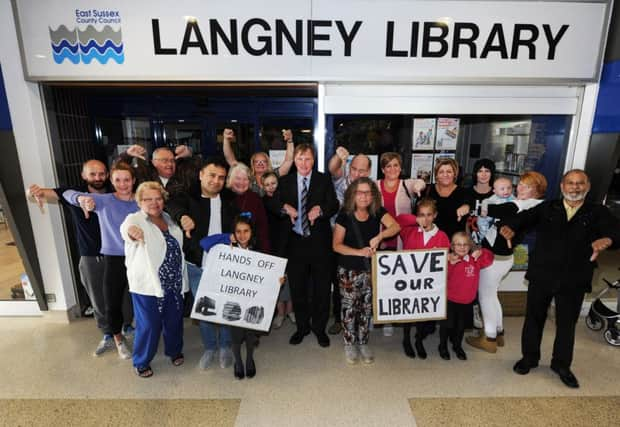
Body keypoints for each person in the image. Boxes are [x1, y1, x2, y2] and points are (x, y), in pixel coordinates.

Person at [501, 169, 620, 388]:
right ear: (562, 187)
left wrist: (608, 240)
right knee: (534, 318)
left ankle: (561, 365)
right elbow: (522, 219)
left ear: (588, 186)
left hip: (574, 278)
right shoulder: (548, 207)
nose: (575, 187)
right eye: (570, 183)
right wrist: (510, 227)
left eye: (580, 183)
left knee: (567, 324)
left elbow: (615, 231)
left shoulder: (597, 212)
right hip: (542, 274)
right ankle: (529, 358)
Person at [28, 160, 133, 356]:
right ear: (84, 175)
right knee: (99, 298)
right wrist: (32, 191)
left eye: (102, 174)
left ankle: (125, 326)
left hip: (121, 255)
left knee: (125, 296)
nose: (98, 178)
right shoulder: (76, 193)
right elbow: (50, 193)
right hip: (91, 255)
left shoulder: (116, 193)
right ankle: (108, 334)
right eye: (93, 174)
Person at [166, 157, 239, 370]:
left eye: (221, 178)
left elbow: (241, 226)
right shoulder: (187, 198)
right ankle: (210, 347)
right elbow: (171, 204)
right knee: (204, 309)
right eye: (212, 175)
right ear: (200, 175)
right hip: (197, 265)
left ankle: (225, 346)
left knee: (225, 306)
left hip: (226, 265)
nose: (216, 181)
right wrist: (182, 217)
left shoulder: (230, 200)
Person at [63, 162, 139, 359]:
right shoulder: (103, 200)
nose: (123, 184)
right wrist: (81, 198)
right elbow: (67, 194)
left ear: (134, 181)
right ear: (111, 181)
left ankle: (139, 332)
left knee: (141, 299)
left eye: (127, 180)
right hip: (113, 259)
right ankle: (118, 339)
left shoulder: (140, 201)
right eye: (118, 180)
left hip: (138, 258)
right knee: (111, 302)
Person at [467, 171, 547, 354]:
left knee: (485, 296)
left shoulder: (525, 204)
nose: (520, 188)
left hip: (495, 258)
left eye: (527, 186)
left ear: (537, 191)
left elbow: (501, 209)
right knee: (492, 294)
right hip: (503, 258)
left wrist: (476, 207)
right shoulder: (530, 204)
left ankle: (489, 338)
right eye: (520, 184)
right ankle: (498, 331)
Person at [200, 214, 283, 379]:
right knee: (236, 336)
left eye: (246, 231)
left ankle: (250, 359)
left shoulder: (258, 251)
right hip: (232, 300)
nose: (242, 235)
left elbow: (267, 274)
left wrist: (278, 280)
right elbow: (203, 243)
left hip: (252, 300)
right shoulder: (226, 249)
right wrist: (227, 237)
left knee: (250, 335)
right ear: (233, 233)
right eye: (238, 231)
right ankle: (238, 361)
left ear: (252, 232)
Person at [120, 181, 188, 378]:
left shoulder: (169, 218)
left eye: (158, 198)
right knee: (149, 324)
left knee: (174, 321)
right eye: (148, 199)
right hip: (148, 285)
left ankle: (174, 351)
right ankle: (141, 361)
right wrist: (131, 233)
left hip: (174, 282)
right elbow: (126, 230)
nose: (154, 202)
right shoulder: (135, 219)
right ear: (139, 201)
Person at [274, 143, 339, 347]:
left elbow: (334, 204)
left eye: (308, 158)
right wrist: (284, 208)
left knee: (321, 289)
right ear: (294, 160)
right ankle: (302, 328)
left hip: (319, 242)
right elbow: (271, 201)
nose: (304, 163)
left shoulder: (323, 179)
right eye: (300, 159)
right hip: (295, 243)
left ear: (313, 160)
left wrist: (321, 210)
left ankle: (319, 329)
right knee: (298, 289)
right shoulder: (284, 182)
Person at [333, 178, 400, 364]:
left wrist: (380, 236)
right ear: (353, 195)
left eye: (368, 192)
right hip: (348, 270)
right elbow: (336, 245)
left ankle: (363, 342)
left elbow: (396, 226)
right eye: (360, 192)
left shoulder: (377, 211)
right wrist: (358, 252)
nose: (364, 196)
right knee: (349, 309)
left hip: (370, 269)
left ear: (373, 195)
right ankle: (349, 344)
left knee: (366, 309)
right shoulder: (344, 215)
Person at [376, 152, 425, 337]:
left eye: (396, 165)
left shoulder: (406, 184)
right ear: (382, 169)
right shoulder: (375, 186)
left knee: (395, 281)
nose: (392, 169)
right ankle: (379, 317)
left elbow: (418, 183)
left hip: (401, 240)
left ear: (400, 167)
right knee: (379, 280)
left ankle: (390, 318)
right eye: (388, 166)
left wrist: (420, 186)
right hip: (380, 237)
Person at [396, 198, 450, 359]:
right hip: (409, 281)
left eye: (428, 215)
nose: (425, 219)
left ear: (435, 215)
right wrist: (416, 220)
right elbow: (399, 219)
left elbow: (444, 260)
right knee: (408, 312)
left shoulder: (441, 236)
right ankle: (406, 339)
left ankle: (418, 340)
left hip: (428, 285)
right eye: (421, 215)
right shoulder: (410, 231)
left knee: (422, 314)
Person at [327, 147, 374, 335]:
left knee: (363, 284)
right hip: (337, 240)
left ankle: (362, 319)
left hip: (361, 242)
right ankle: (340, 319)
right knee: (339, 280)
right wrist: (339, 157)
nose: (356, 173)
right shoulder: (342, 181)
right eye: (353, 168)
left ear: (368, 172)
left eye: (361, 170)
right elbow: (332, 168)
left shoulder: (371, 188)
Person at [440, 232, 493, 361]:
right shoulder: (448, 261)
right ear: (452, 246)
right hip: (450, 301)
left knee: (461, 327)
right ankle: (442, 346)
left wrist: (480, 251)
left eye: (465, 245)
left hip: (467, 301)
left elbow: (490, 257)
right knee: (447, 326)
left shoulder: (475, 260)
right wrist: (450, 263)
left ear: (470, 246)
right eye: (458, 244)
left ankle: (457, 346)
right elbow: (442, 278)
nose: (462, 247)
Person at [261, 172, 295, 329]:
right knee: (278, 281)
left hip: (290, 242)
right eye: (267, 184)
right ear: (262, 186)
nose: (270, 187)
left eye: (273, 183)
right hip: (274, 245)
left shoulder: (285, 197)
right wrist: (285, 209)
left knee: (292, 278)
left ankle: (290, 311)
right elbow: (278, 210)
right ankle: (280, 313)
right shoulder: (265, 201)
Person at [222, 128, 294, 195]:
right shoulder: (248, 176)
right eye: (257, 161)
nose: (260, 164)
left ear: (268, 163)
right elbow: (231, 160)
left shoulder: (274, 174)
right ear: (252, 164)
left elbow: (288, 161)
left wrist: (290, 141)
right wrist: (226, 140)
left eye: (263, 161)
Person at [226, 162, 271, 253]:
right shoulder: (222, 196)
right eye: (238, 178)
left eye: (245, 179)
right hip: (227, 249)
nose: (241, 183)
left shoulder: (255, 198)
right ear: (230, 179)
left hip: (252, 250)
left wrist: (265, 254)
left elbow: (263, 229)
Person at [121, 145, 195, 197]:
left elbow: (202, 169)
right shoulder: (144, 175)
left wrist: (190, 154)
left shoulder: (183, 174)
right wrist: (127, 155)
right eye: (164, 160)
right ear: (154, 162)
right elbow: (119, 170)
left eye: (172, 160)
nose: (170, 164)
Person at [426, 158, 470, 239]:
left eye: (449, 172)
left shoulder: (464, 193)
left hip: (455, 244)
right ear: (436, 175)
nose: (445, 175)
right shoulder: (427, 191)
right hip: (430, 240)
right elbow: (417, 215)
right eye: (441, 172)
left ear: (455, 174)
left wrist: (467, 207)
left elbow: (472, 205)